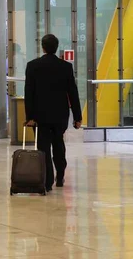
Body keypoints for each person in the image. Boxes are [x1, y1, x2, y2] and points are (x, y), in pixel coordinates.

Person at [24, 34, 82, 192]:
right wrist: (78, 117)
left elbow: (28, 93)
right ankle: (61, 174)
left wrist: (29, 117)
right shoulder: (65, 67)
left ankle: (47, 181)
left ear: (42, 47)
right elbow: (72, 93)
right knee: (58, 143)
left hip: (39, 115)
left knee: (43, 147)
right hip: (60, 114)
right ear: (56, 48)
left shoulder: (33, 66)